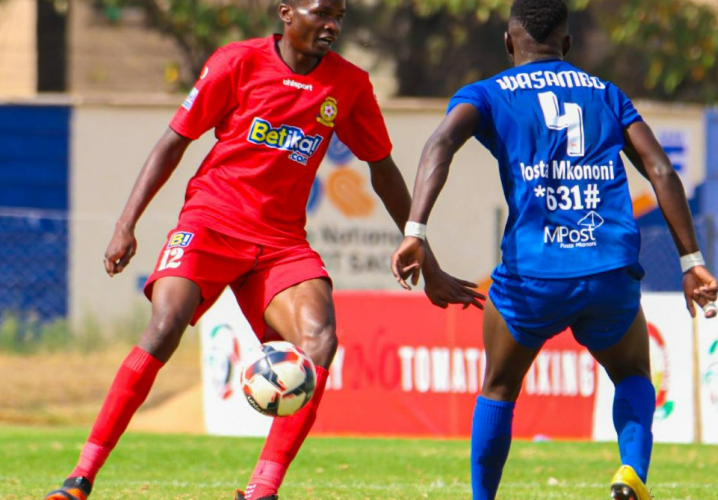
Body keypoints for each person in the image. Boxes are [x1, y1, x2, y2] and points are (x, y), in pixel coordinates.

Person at [44, 1, 484, 499]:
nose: (332, 26)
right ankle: (80, 478)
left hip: (279, 244)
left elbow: (383, 171)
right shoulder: (236, 62)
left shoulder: (349, 84)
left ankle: (261, 490)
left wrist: (428, 258)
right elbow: (173, 142)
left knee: (320, 341)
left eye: (340, 16)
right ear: (286, 12)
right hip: (210, 224)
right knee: (165, 327)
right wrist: (127, 224)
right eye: (321, 13)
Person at [390, 1, 718, 499]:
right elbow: (660, 169)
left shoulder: (487, 93)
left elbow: (440, 143)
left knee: (499, 387)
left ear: (508, 42)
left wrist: (415, 228)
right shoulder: (606, 93)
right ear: (567, 44)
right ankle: (631, 471)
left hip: (533, 274)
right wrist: (691, 263)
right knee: (632, 373)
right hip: (606, 265)